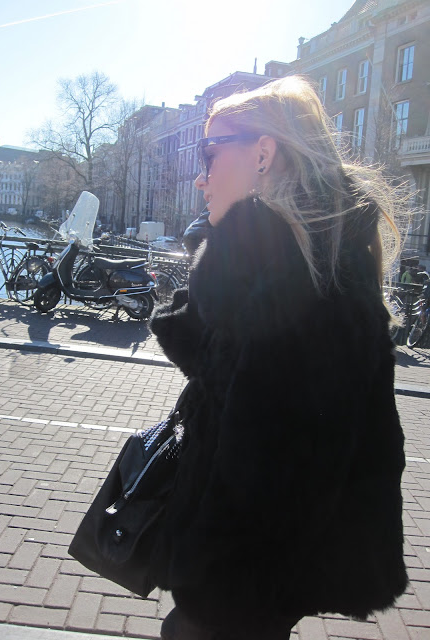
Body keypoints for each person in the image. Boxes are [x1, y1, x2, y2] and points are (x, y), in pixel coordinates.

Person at [149, 76, 407, 640]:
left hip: (243, 579)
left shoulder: (310, 284)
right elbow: (226, 372)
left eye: (210, 154)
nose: (200, 177)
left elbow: (284, 471)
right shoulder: (290, 264)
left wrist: (218, 582)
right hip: (249, 577)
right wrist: (216, 255)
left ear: (263, 154)